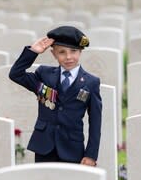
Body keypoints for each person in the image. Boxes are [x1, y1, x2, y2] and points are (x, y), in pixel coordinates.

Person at [9, 25, 102, 166]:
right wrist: (33, 52)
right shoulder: (44, 74)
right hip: (44, 146)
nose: (68, 57)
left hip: (72, 149)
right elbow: (16, 74)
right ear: (53, 54)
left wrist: (91, 155)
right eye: (62, 52)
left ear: (81, 52)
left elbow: (95, 122)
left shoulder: (91, 82)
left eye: (74, 51)